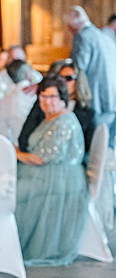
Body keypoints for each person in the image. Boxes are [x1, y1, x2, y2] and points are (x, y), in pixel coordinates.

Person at [15, 77, 89, 266]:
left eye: (52, 97)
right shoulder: (50, 117)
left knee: (13, 193)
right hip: (44, 171)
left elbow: (41, 158)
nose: (47, 101)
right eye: (43, 96)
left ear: (62, 98)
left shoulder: (64, 121)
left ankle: (11, 245)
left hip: (59, 176)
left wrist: (15, 152)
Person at [17, 61, 95, 160]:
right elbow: (24, 138)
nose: (64, 82)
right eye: (60, 78)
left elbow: (87, 150)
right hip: (35, 159)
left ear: (78, 82)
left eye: (68, 78)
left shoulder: (87, 113)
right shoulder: (42, 105)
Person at [65, 6, 115, 148]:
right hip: (113, 99)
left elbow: (77, 69)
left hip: (97, 100)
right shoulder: (104, 36)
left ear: (73, 26)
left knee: (93, 147)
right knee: (107, 148)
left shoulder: (83, 37)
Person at [0, 61, 40, 145]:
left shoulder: (4, 101)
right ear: (28, 74)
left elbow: (2, 132)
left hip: (16, 147)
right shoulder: (37, 96)